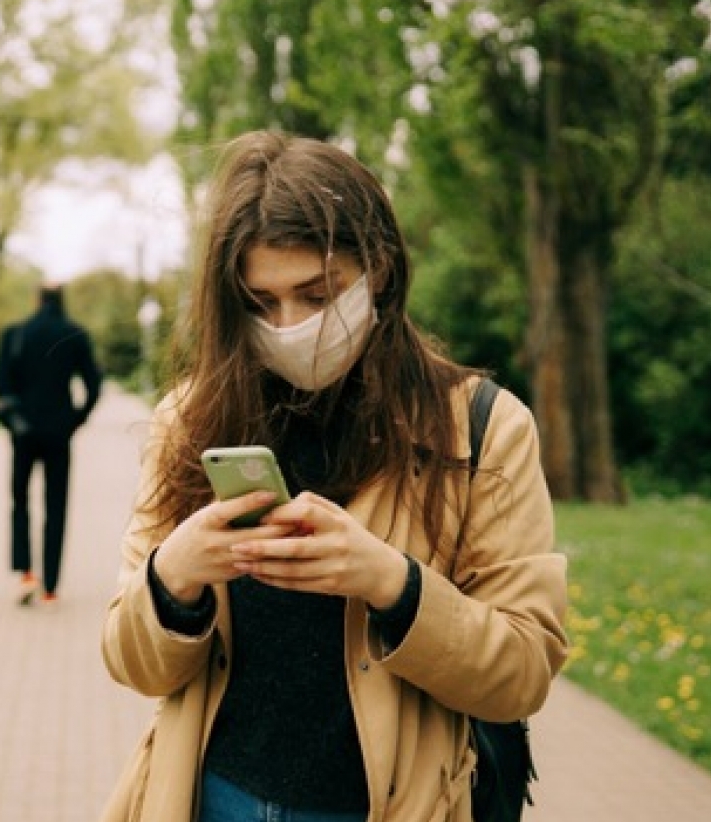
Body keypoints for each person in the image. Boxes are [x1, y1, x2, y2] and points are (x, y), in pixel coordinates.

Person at [99, 131, 569, 822]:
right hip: (210, 798)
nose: (290, 326)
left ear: (377, 268)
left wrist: (390, 582)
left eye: (317, 295)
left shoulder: (482, 427)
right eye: (261, 303)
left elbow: (522, 671)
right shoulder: (190, 421)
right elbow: (134, 664)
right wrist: (175, 576)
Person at [0, 283, 104, 606]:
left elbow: (1, 383)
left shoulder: (16, 334)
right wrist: (76, 420)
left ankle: (25, 571)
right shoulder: (75, 334)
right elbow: (94, 386)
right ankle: (52, 585)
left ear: (37, 300)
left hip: (23, 432)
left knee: (20, 500)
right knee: (56, 506)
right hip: (59, 431)